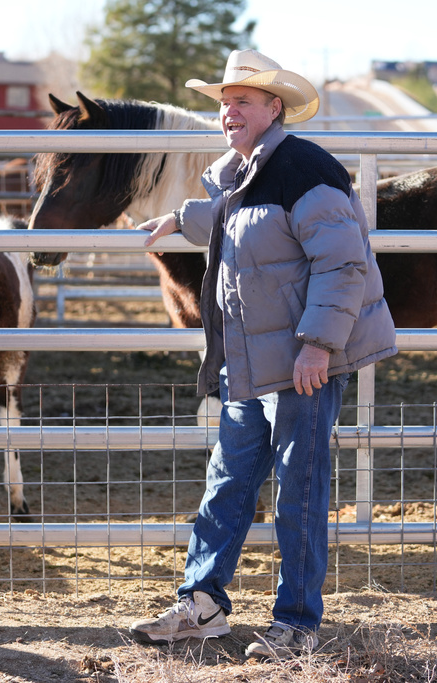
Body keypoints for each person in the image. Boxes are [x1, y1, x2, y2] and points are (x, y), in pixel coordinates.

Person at [128, 49, 397, 660]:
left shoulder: (306, 167)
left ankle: (297, 623)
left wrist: (318, 346)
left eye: (242, 102)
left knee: (298, 489)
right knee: (228, 480)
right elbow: (230, 220)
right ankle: (203, 605)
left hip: (301, 364)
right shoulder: (243, 170)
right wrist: (176, 218)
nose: (229, 113)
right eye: (224, 103)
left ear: (274, 107)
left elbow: (342, 262)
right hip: (250, 362)